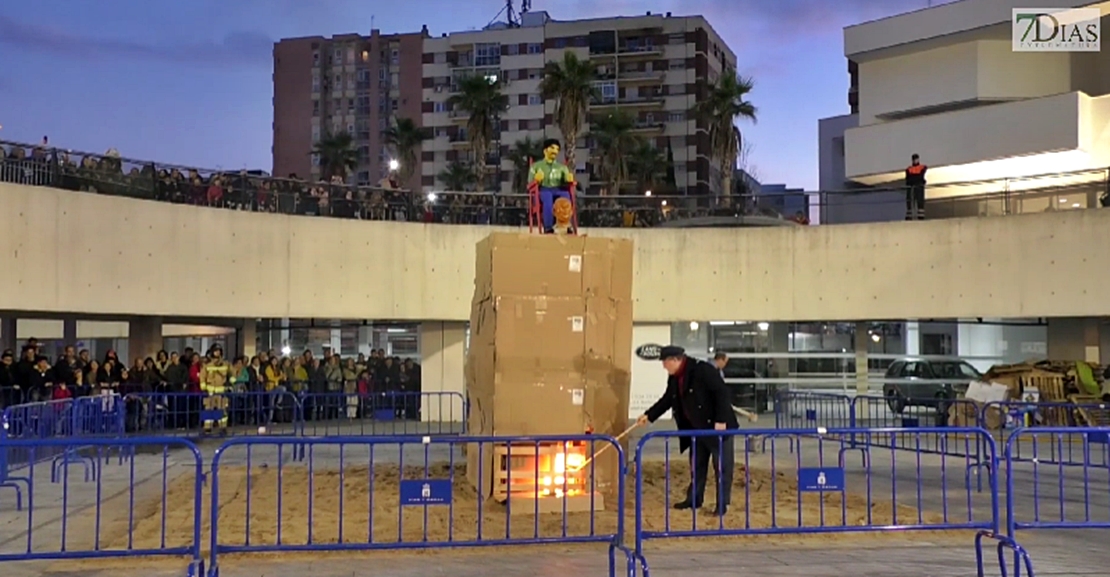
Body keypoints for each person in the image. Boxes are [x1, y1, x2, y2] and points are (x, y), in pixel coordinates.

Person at [636, 345, 738, 516]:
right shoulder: (675, 377)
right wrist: (649, 415)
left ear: (676, 360)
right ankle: (694, 499)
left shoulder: (702, 370)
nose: (663, 366)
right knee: (697, 465)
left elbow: (721, 393)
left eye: (665, 362)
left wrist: (721, 420)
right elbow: (668, 399)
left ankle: (722, 504)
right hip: (695, 429)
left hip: (717, 427)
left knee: (722, 467)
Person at [528, 138, 575, 234]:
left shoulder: (562, 167)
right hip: (543, 189)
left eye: (557, 149)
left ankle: (567, 225)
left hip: (558, 189)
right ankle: (548, 227)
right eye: (552, 148)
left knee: (566, 196)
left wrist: (569, 179)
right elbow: (529, 184)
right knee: (548, 198)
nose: (555, 151)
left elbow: (567, 180)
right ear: (545, 150)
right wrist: (536, 180)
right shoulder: (536, 166)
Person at [905, 154, 927, 221]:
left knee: (919, 200)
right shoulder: (909, 169)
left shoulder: (922, 167)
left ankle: (920, 216)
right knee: (911, 200)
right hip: (913, 187)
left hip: (918, 187)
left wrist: (914, 179)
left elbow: (919, 177)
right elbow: (908, 180)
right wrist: (917, 179)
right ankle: (910, 215)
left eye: (916, 159)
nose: (915, 160)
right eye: (914, 159)